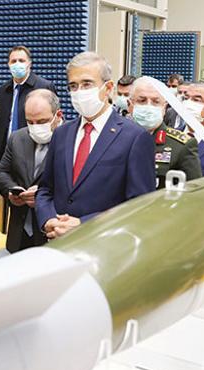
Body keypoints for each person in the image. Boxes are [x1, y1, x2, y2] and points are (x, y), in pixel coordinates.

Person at [36, 52, 155, 240]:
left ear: (108, 88)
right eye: (73, 86)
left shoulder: (135, 137)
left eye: (87, 84)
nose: (79, 92)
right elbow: (45, 189)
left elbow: (139, 206)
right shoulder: (61, 133)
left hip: (105, 245)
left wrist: (83, 224)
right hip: (59, 244)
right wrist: (48, 219)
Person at [0, 89, 62, 252]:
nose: (35, 127)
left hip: (53, 233)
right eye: (30, 122)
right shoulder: (17, 138)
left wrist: (43, 194)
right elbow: (1, 172)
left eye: (42, 121)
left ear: (58, 115)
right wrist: (11, 191)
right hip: (20, 232)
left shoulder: (71, 140)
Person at [128, 77, 201, 189]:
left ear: (164, 107)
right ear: (130, 105)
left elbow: (194, 191)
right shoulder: (117, 138)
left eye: (156, 102)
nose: (149, 106)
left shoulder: (182, 145)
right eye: (142, 101)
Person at [0, 45, 57, 167]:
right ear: (8, 64)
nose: (17, 64)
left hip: (33, 155)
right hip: (6, 155)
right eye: (13, 61)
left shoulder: (44, 87)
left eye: (21, 60)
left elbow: (55, 123)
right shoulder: (3, 91)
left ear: (29, 63)